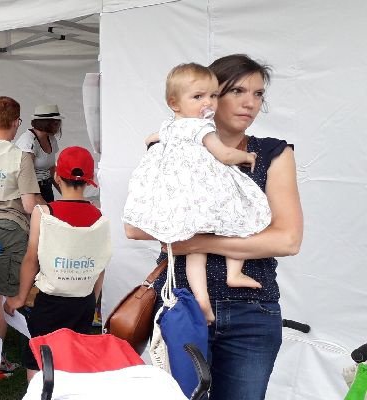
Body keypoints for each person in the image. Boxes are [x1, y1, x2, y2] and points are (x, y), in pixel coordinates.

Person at [126, 54, 303, 399]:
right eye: (237, 90)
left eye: (258, 94)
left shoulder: (271, 153)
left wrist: (193, 242)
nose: (250, 103)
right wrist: (233, 240)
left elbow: (287, 239)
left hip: (253, 308)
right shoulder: (168, 146)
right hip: (182, 302)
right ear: (208, 93)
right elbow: (136, 226)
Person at [123, 63, 269, 323]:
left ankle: (201, 298)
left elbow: (149, 138)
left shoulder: (169, 127)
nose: (208, 103)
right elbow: (224, 154)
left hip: (182, 200)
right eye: (199, 97)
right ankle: (234, 273)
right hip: (204, 194)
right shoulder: (202, 129)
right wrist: (246, 156)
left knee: (195, 251)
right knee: (239, 219)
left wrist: (155, 147)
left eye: (213, 96)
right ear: (174, 103)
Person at [4, 146, 110, 382]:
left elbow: (32, 259)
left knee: (38, 356)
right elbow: (100, 265)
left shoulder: (44, 212)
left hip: (50, 301)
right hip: (83, 301)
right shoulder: (101, 217)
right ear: (90, 181)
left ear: (57, 177)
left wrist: (20, 297)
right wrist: (93, 298)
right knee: (73, 356)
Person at [0, 96, 42, 378]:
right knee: (0, 296)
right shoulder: (20, 156)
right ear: (16, 123)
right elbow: (28, 204)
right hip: (9, 229)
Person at [13, 104, 64, 202]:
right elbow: (25, 177)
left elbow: (52, 169)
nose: (59, 125)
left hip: (46, 188)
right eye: (56, 122)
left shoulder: (51, 139)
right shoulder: (27, 142)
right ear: (46, 123)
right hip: (30, 192)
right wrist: (41, 202)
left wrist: (66, 194)